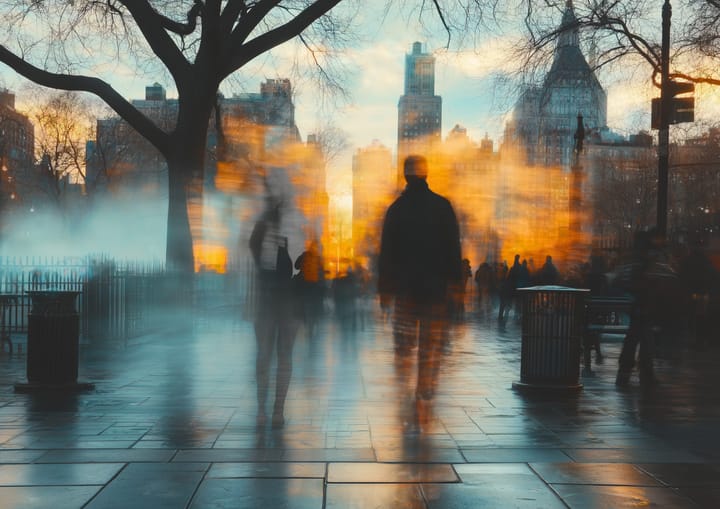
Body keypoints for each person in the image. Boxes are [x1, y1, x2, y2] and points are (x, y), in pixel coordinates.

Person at [378, 155, 463, 428]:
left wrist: (385, 290)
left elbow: (386, 254)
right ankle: (423, 392)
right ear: (427, 174)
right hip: (435, 290)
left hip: (406, 291)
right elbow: (453, 249)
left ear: (405, 176)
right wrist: (456, 287)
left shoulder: (396, 209)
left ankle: (405, 391)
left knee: (403, 346)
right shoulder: (442, 206)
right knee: (430, 346)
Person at [248, 189, 300, 429]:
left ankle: (273, 410)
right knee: (271, 356)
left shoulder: (288, 230)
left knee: (273, 356)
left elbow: (302, 262)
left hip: (281, 301)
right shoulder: (264, 230)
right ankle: (268, 410)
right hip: (276, 301)